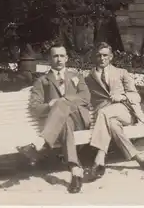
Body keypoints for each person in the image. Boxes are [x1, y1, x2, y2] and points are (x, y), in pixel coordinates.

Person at [16, 43, 91, 194]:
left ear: (67, 58)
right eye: (55, 56)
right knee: (65, 123)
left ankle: (41, 142)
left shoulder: (77, 76)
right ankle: (75, 170)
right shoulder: (42, 81)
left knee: (62, 104)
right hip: (62, 125)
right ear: (49, 59)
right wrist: (50, 105)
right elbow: (35, 108)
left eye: (62, 56)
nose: (59, 59)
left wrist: (61, 102)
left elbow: (85, 98)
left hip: (79, 120)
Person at [84, 42, 144, 182]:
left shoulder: (121, 73)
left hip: (124, 112)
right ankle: (139, 159)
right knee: (112, 124)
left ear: (111, 57)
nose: (102, 58)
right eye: (99, 55)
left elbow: (136, 96)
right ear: (95, 57)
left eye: (105, 55)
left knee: (105, 114)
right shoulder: (89, 78)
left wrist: (122, 97)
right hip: (105, 116)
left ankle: (100, 158)